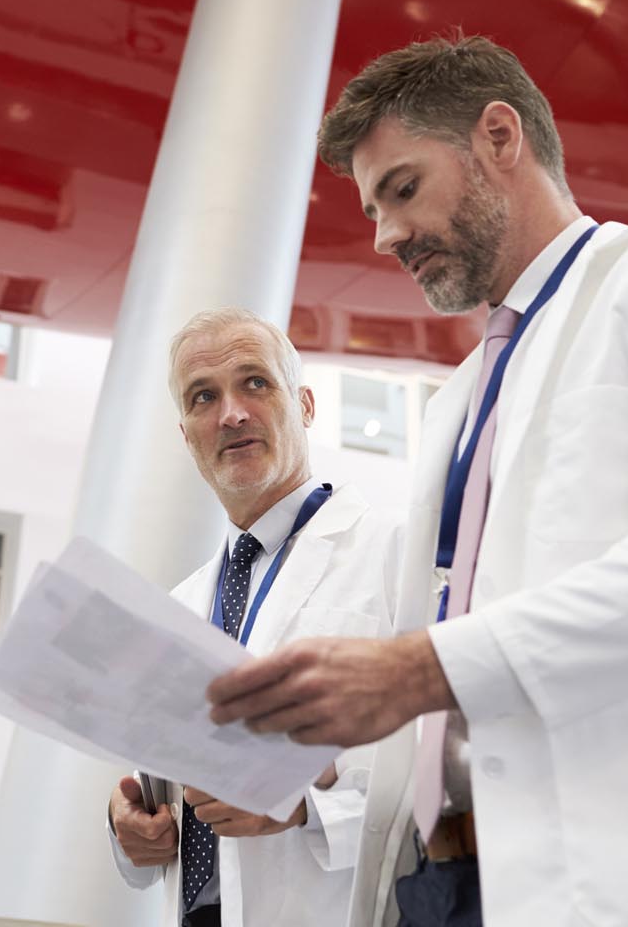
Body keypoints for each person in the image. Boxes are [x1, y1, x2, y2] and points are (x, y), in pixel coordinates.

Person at [205, 35, 628, 927]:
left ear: (501, 137)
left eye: (403, 189)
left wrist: (421, 668)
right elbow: (455, 662)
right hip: (440, 885)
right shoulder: (461, 401)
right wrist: (309, 789)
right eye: (376, 206)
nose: (385, 236)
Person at [107, 307, 402, 927]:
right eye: (203, 397)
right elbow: (163, 787)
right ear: (188, 437)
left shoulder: (395, 556)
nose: (231, 413)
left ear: (306, 406)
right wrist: (132, 827)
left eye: (255, 383)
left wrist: (308, 808)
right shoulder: (181, 605)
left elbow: (453, 761)